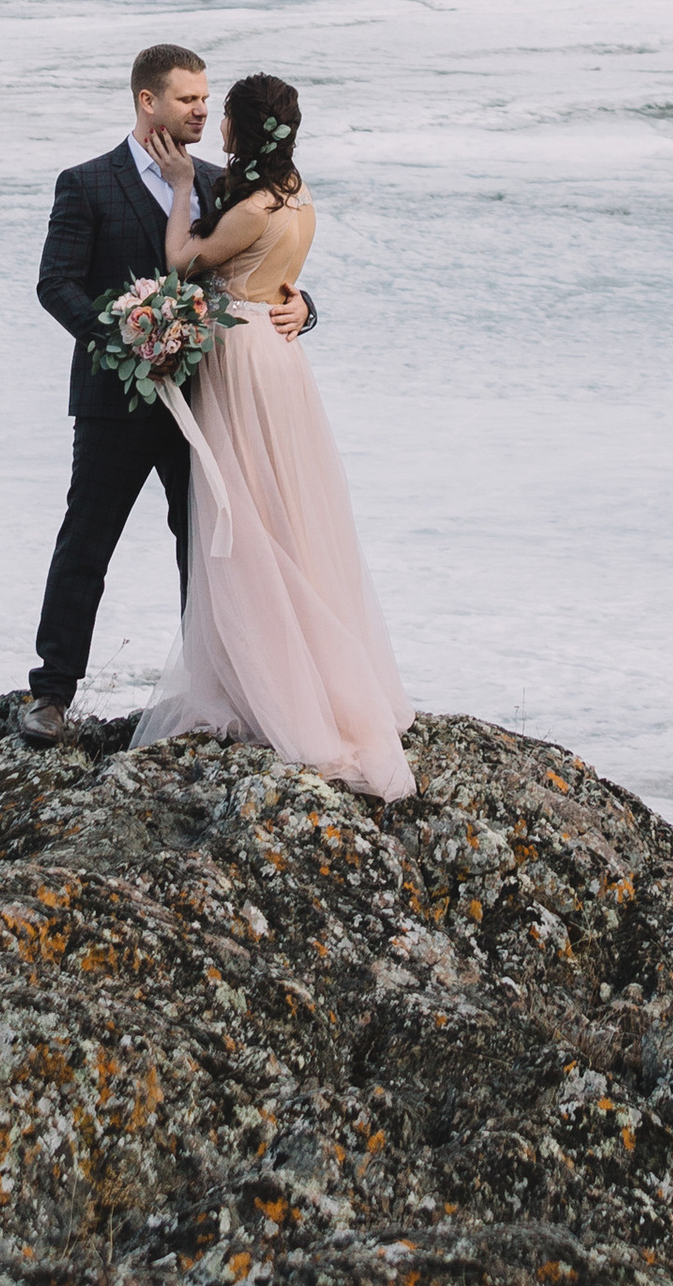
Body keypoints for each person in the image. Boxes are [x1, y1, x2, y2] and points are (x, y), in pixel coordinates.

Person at [20, 44, 313, 745]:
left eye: (207, 99)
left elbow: (261, 269)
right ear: (147, 102)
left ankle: (214, 692)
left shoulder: (222, 184)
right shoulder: (87, 183)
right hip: (114, 401)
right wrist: (127, 340)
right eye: (188, 99)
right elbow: (55, 284)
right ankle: (51, 693)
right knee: (86, 542)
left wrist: (304, 307)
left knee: (211, 550)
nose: (202, 110)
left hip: (209, 401)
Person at [134, 69, 413, 800]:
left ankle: (276, 687)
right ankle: (289, 670)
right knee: (284, 511)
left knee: (248, 510)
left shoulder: (254, 204)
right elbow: (275, 271)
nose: (214, 120)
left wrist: (183, 189)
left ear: (243, 127)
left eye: (223, 111)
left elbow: (181, 261)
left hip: (243, 358)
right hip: (279, 360)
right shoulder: (297, 193)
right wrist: (298, 304)